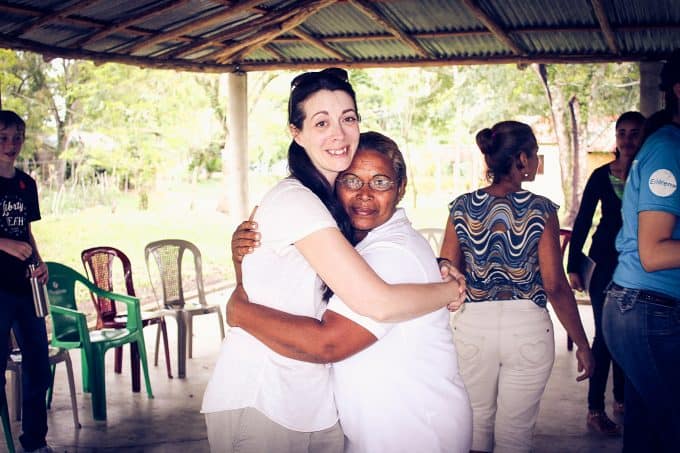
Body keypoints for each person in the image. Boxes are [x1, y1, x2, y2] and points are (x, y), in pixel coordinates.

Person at [201, 69, 461, 453]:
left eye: (348, 118)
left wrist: (433, 262)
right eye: (321, 122)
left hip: (312, 404)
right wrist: (449, 290)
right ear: (297, 132)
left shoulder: (330, 204)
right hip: (263, 396)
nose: (338, 134)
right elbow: (376, 302)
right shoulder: (297, 200)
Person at [439, 120, 595, 453]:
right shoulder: (540, 209)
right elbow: (554, 285)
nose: (537, 161)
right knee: (515, 434)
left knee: (476, 424)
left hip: (473, 328)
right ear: (521, 159)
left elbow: (447, 274)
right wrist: (582, 343)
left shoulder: (461, 207)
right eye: (536, 154)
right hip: (527, 329)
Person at [602, 51, 680, 453]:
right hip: (649, 310)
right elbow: (654, 252)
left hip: (648, 308)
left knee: (648, 433)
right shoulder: (668, 151)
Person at [567, 111, 645, 435]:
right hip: (603, 266)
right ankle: (595, 409)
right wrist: (573, 266)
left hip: (642, 266)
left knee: (631, 335)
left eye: (633, 133)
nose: (627, 140)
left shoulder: (652, 174)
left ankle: (622, 399)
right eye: (621, 133)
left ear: (644, 136)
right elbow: (583, 221)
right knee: (605, 335)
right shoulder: (601, 176)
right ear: (616, 138)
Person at [0, 110, 52, 453]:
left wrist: (38, 259)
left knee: (38, 364)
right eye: (3, 138)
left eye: (17, 137)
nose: (11, 145)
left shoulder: (26, 183)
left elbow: (27, 231)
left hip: (25, 287)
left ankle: (34, 441)